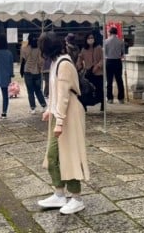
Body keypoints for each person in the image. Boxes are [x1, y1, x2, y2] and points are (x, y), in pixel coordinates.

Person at [37, 31, 90, 215]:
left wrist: (59, 121)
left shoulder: (64, 63)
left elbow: (65, 96)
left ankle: (76, 197)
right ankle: (59, 193)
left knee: (69, 154)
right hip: (59, 112)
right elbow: (55, 92)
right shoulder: (55, 63)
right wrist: (50, 110)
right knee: (52, 156)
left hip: (69, 113)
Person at [76, 31, 104, 111]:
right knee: (86, 90)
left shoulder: (98, 47)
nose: (90, 39)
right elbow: (80, 58)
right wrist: (79, 65)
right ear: (86, 39)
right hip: (88, 72)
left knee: (99, 89)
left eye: (92, 38)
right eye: (89, 38)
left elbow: (102, 59)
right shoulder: (84, 49)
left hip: (98, 72)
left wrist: (98, 66)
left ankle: (102, 104)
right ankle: (84, 105)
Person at [20, 35, 47, 113]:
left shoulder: (24, 48)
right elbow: (41, 61)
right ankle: (43, 105)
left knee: (30, 91)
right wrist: (40, 68)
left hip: (27, 71)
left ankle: (33, 108)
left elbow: (22, 59)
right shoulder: (39, 50)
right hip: (37, 71)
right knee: (38, 90)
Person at [104, 26, 125, 104]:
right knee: (119, 80)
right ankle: (121, 98)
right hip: (117, 61)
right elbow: (122, 52)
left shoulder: (106, 41)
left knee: (109, 80)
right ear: (116, 33)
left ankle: (110, 98)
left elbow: (105, 53)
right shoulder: (120, 41)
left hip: (109, 61)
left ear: (109, 32)